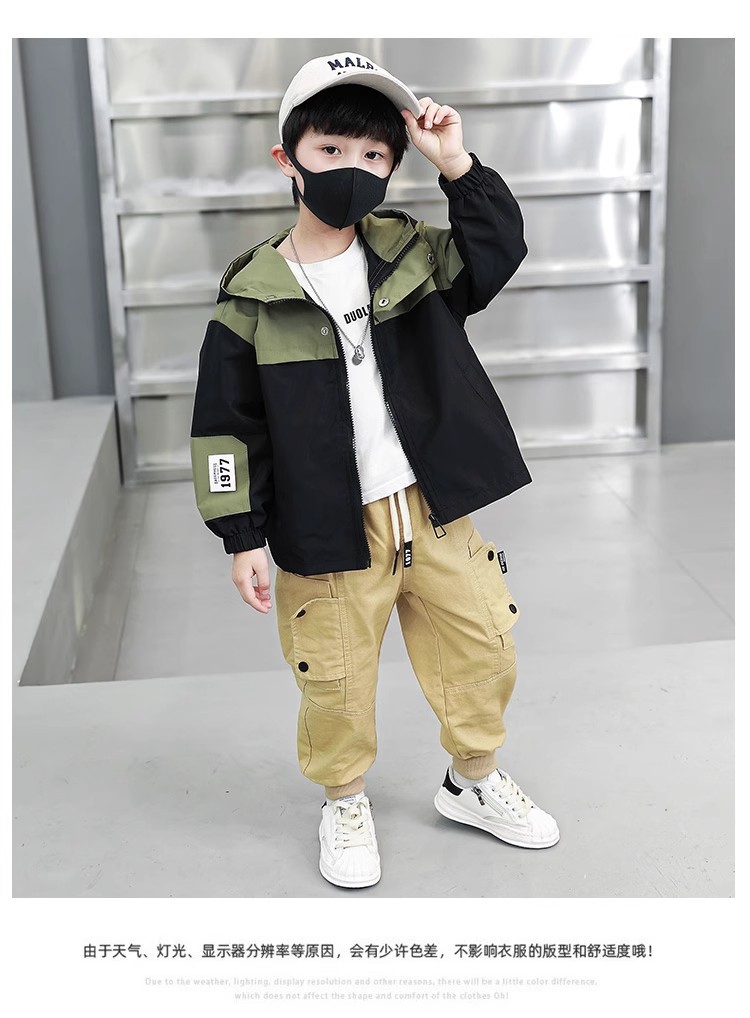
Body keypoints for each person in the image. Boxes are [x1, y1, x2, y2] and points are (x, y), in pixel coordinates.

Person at [190, 51, 560, 889]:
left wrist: (455, 164)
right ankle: (345, 800)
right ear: (288, 158)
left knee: (483, 647)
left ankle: (472, 780)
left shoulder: (413, 255)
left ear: (393, 167)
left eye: (373, 155)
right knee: (337, 677)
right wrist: (240, 536)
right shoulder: (252, 295)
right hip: (327, 525)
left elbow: (498, 249)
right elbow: (222, 431)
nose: (352, 169)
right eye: (330, 151)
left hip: (432, 509)